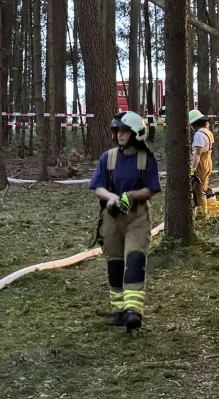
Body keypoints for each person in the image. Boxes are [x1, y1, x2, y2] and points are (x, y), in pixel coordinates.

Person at [89, 112, 161, 332]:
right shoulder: (108, 157)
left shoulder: (146, 159)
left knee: (134, 260)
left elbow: (152, 188)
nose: (120, 135)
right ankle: (118, 309)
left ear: (136, 133)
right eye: (118, 131)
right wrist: (111, 198)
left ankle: (133, 311)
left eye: (125, 131)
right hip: (112, 218)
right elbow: (97, 186)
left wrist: (132, 195)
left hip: (137, 218)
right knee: (115, 263)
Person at [188, 109, 215, 213]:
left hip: (201, 164)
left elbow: (197, 154)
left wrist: (192, 169)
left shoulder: (199, 135)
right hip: (208, 161)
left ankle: (201, 216)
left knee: (199, 192)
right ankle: (203, 213)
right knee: (203, 189)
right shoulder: (208, 132)